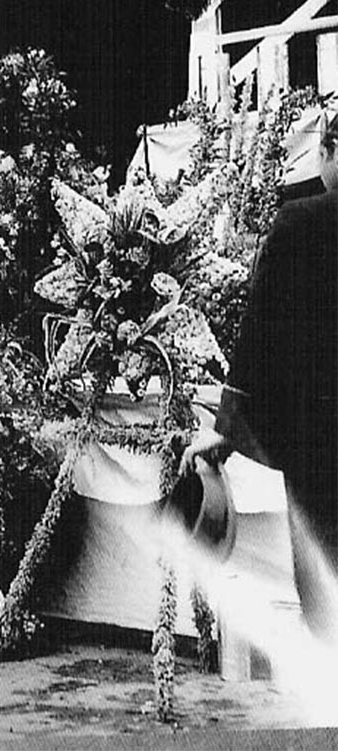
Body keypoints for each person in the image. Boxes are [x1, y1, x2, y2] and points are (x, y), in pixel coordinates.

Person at [183, 117, 338, 642]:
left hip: (321, 436)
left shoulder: (298, 225)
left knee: (325, 575)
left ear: (327, 151)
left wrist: (230, 427)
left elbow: (261, 335)